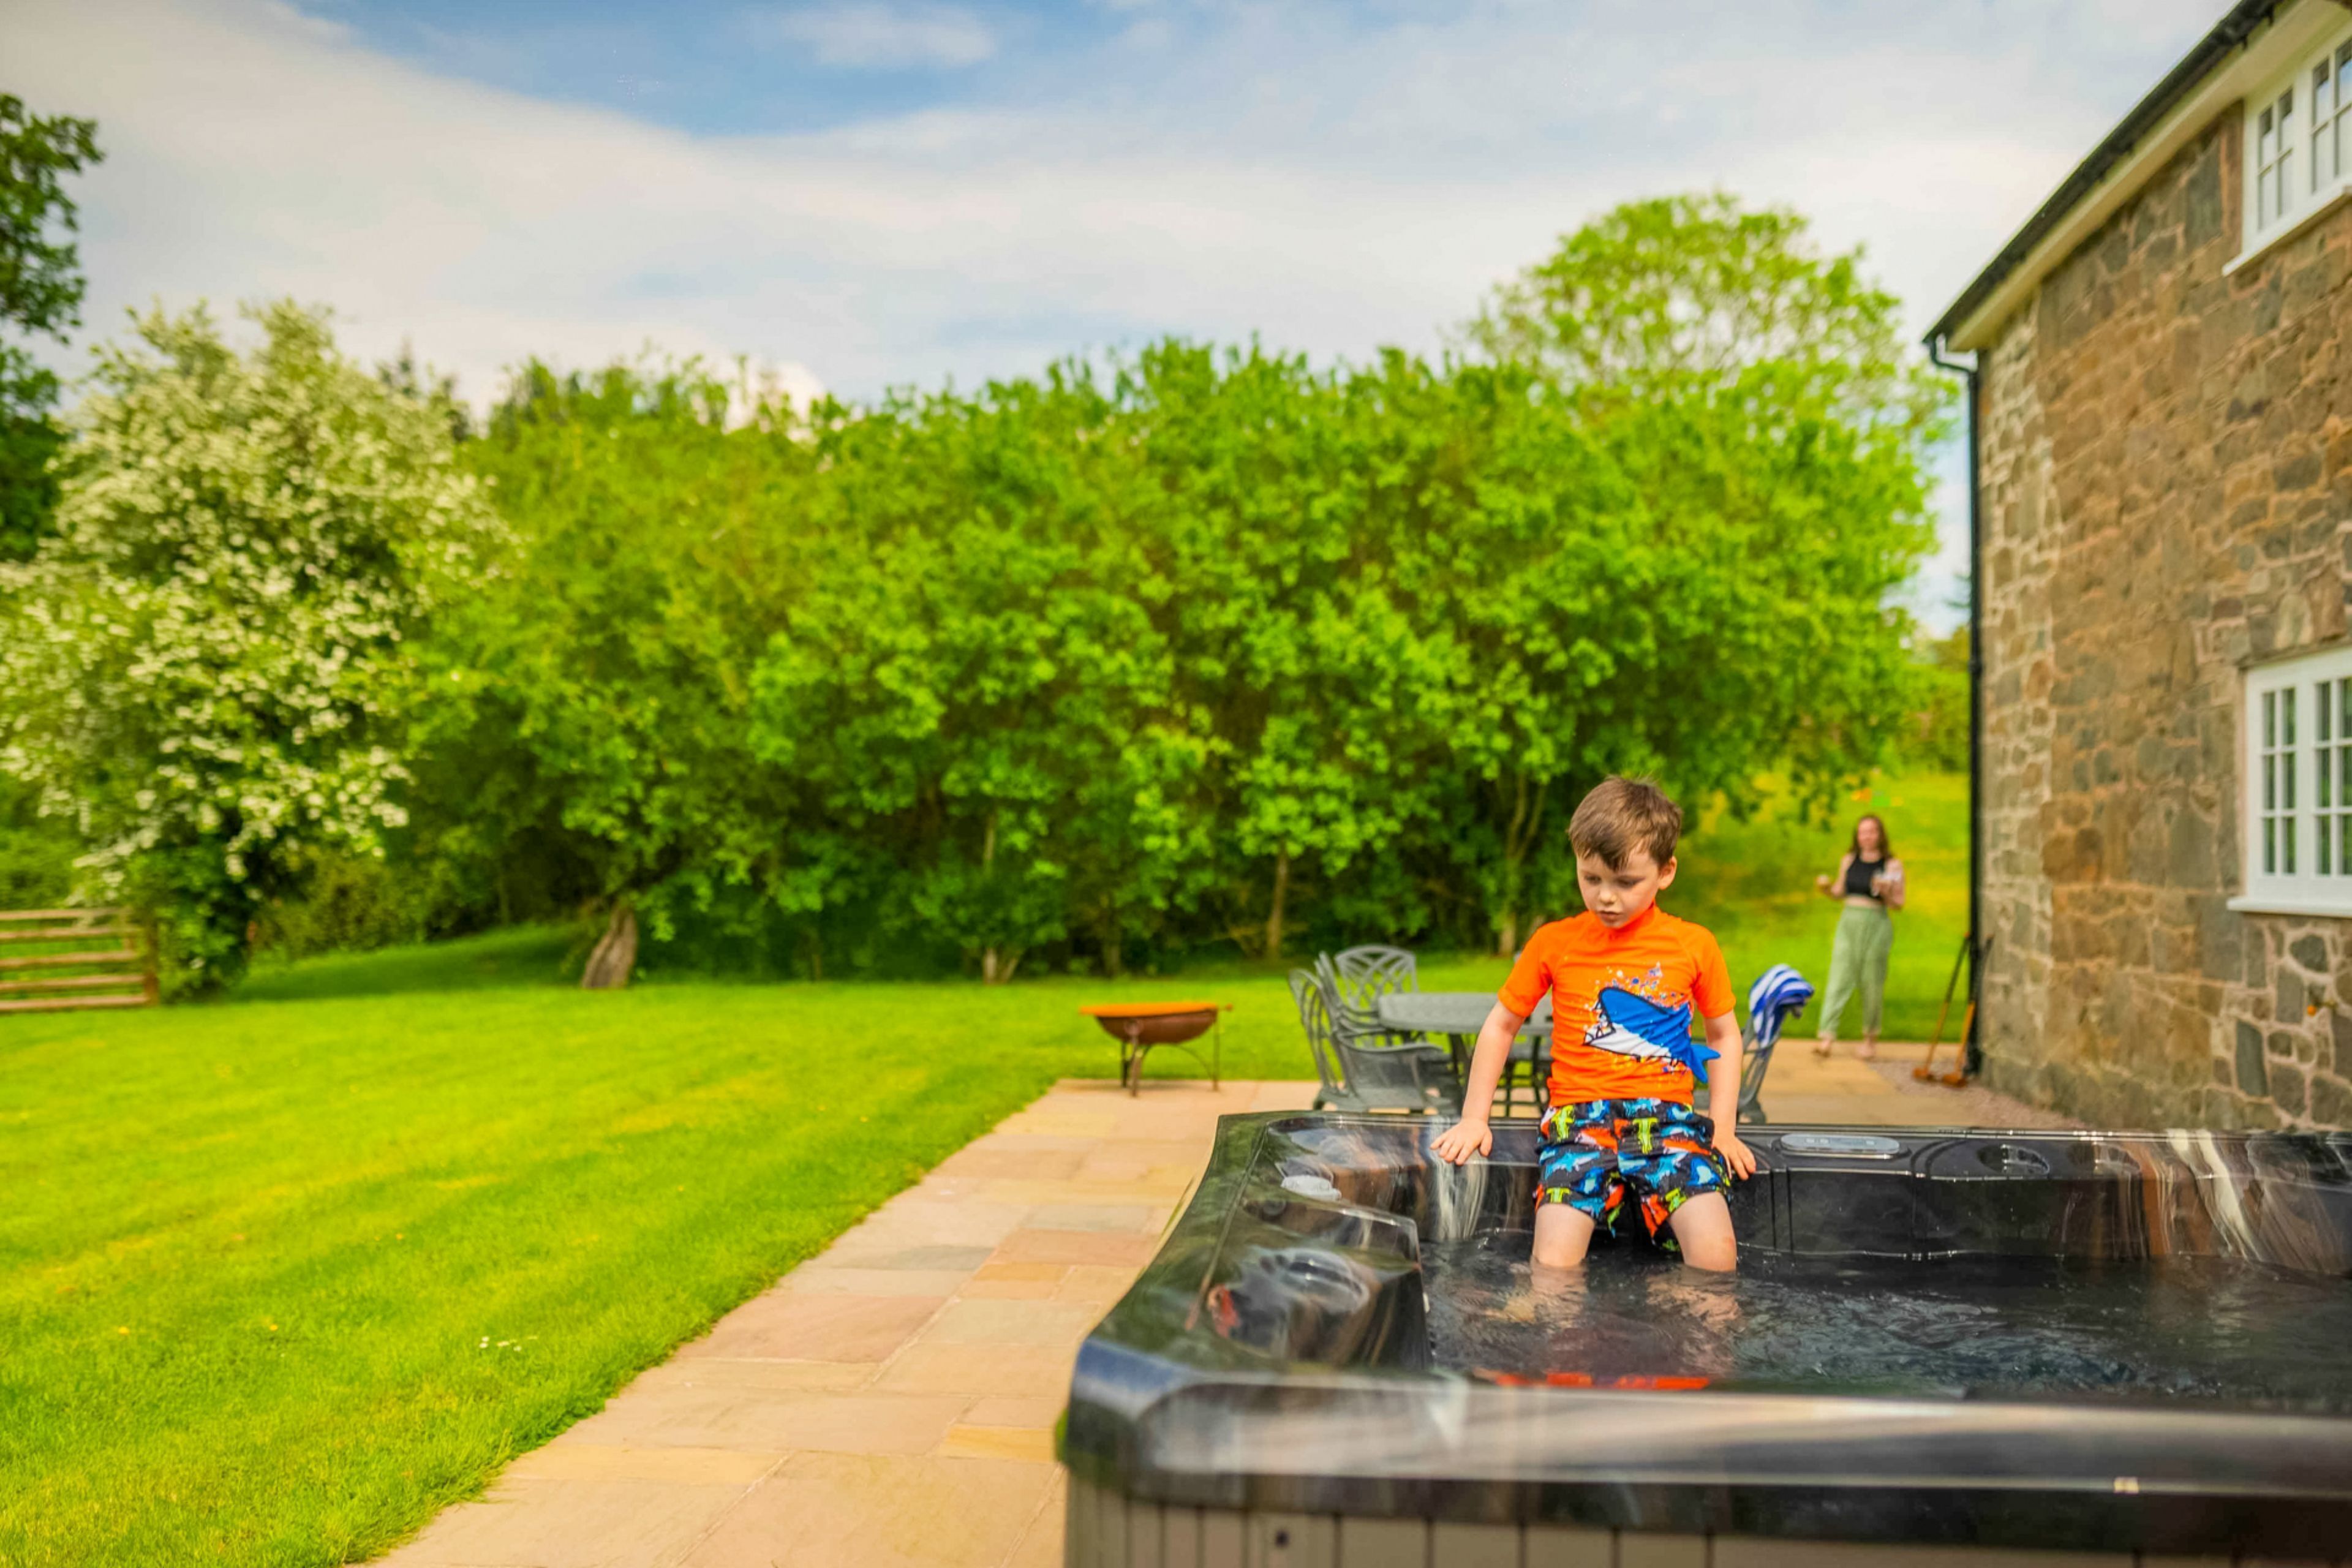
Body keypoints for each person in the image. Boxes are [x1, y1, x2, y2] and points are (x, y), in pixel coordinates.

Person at [1432, 777, 1757, 1272]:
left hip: (1668, 1124)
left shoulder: (1693, 945)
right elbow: (1501, 1025)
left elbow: (1724, 1035)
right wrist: (1476, 1117)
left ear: (1666, 872)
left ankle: (1690, 1341)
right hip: (1579, 1125)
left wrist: (1725, 1129)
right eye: (1591, 878)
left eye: (1626, 883)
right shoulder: (1555, 942)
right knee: (1554, 1264)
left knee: (1716, 1258)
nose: (1606, 897)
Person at [1811, 813, 1904, 1061]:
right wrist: (1826, 889)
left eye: (1872, 831)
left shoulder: (1892, 865)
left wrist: (1885, 893)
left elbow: (1898, 903)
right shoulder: (1849, 860)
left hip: (1876, 924)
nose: (1867, 836)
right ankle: (1827, 1036)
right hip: (1849, 922)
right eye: (1863, 832)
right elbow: (1839, 892)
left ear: (1880, 834)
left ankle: (1870, 1039)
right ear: (1858, 835)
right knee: (1839, 975)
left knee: (1872, 981)